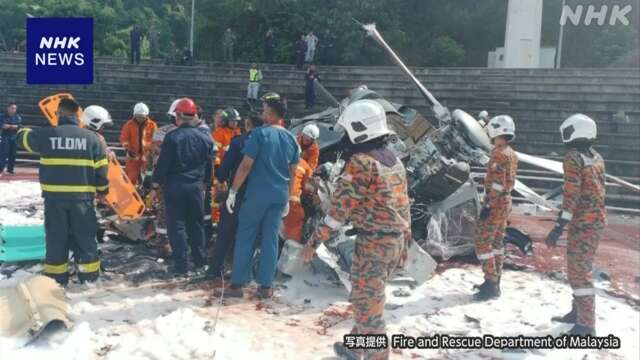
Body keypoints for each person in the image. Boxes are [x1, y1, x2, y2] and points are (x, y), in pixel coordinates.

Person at [301, 100, 411, 360]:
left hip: (374, 245)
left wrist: (313, 242)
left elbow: (339, 211)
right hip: (394, 242)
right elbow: (404, 202)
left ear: (360, 130)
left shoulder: (361, 162)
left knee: (366, 304)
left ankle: (376, 354)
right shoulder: (393, 159)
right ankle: (355, 346)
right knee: (369, 297)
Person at [17, 98, 109, 285]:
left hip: (54, 200)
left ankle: (57, 279)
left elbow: (22, 138)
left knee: (56, 239)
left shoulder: (47, 135)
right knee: (85, 237)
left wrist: (29, 130)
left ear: (58, 114)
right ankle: (89, 278)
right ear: (78, 115)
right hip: (82, 200)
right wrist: (102, 191)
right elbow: (101, 170)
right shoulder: (93, 139)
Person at [220, 92, 299, 299]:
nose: (262, 113)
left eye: (264, 110)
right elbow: (292, 172)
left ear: (271, 113)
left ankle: (237, 284)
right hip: (279, 195)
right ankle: (265, 286)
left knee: (245, 236)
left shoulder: (259, 134)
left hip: (257, 194)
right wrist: (289, 198)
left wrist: (233, 191)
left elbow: (246, 166)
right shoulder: (291, 138)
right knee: (270, 239)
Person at [545, 114, 606, 336]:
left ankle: (586, 325)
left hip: (583, 223)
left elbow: (572, 195)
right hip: (595, 220)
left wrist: (558, 227)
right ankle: (577, 313)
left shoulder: (573, 157)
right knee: (580, 268)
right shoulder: (596, 156)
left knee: (579, 273)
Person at [151, 98, 215, 276]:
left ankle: (182, 266)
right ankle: (200, 262)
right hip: (196, 187)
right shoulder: (205, 137)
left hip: (175, 186)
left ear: (178, 116)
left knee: (176, 226)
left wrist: (155, 185)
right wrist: (205, 183)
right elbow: (209, 165)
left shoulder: (172, 137)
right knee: (196, 224)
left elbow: (163, 164)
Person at [207, 113, 263, 281]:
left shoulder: (239, 142)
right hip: (260, 194)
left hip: (238, 192)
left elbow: (225, 168)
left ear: (247, 124)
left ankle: (216, 267)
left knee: (226, 230)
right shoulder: (268, 142)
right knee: (252, 233)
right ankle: (244, 269)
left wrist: (221, 181)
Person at [473, 115, 518, 301]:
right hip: (505, 202)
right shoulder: (511, 153)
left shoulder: (499, 153)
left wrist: (488, 205)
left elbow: (497, 184)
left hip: (496, 203)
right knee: (497, 243)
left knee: (482, 242)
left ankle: (490, 283)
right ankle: (495, 280)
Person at [145, 99, 180, 257]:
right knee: (168, 214)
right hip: (176, 181)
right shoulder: (164, 132)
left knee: (167, 214)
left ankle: (167, 245)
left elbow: (156, 159)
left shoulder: (163, 132)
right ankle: (167, 245)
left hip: (170, 180)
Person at [120, 102, 157, 185]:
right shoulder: (128, 125)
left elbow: (155, 140)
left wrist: (151, 152)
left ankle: (145, 194)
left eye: (142, 116)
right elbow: (124, 139)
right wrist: (128, 150)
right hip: (133, 157)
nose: (140, 118)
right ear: (135, 115)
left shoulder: (152, 125)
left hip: (147, 157)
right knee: (131, 178)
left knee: (148, 179)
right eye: (138, 116)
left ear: (146, 116)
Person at [280, 156, 312, 244]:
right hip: (291, 200)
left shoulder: (279, 156)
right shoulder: (305, 165)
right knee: (295, 224)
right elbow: (307, 186)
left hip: (270, 194)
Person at [0, 102, 22, 176]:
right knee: (4, 154)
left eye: (15, 108)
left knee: (13, 155)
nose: (14, 109)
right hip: (5, 137)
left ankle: (10, 170)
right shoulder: (2, 116)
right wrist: (13, 126)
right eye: (12, 108)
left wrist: (9, 126)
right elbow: (3, 126)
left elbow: (19, 126)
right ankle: (0, 170)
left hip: (14, 138)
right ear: (8, 108)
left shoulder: (18, 117)